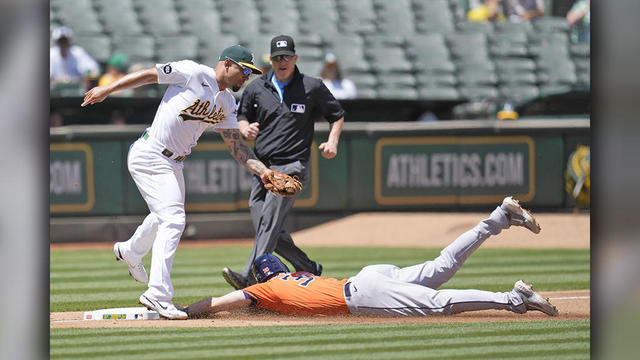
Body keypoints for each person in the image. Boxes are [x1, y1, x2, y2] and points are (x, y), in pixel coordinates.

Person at [81, 45, 278, 320]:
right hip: (151, 153)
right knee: (173, 219)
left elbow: (237, 147)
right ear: (228, 64)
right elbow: (150, 75)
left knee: (164, 216)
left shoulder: (229, 103)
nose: (247, 77)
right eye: (245, 70)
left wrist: (264, 172)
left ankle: (130, 250)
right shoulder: (193, 73)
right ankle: (158, 294)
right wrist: (108, 88)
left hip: (175, 162)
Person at [186, 197, 559, 318]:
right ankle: (498, 217)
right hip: (368, 276)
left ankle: (514, 299)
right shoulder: (294, 277)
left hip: (364, 295)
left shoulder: (266, 290)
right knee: (442, 265)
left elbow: (221, 302)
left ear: (261, 278)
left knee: (438, 305)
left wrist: (184, 311)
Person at [221, 35, 346, 290]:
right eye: (277, 57)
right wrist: (245, 129)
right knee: (266, 223)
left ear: (295, 58)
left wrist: (332, 141)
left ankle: (249, 274)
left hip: (292, 166)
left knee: (268, 221)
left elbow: (337, 114)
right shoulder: (256, 87)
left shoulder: (311, 86)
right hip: (262, 167)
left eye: (286, 56)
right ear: (271, 60)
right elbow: (241, 116)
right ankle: (308, 267)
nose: (282, 61)